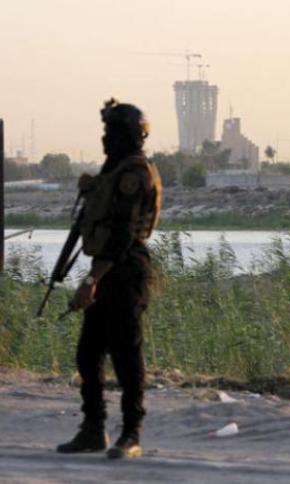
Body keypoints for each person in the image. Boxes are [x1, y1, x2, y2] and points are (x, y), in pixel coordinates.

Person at [56, 99, 162, 459]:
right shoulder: (114, 170)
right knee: (88, 353)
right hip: (107, 268)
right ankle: (93, 429)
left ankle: (131, 433)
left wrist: (91, 282)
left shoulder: (134, 174)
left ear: (129, 136)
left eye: (111, 132)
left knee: (126, 355)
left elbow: (120, 236)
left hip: (125, 270)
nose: (105, 139)